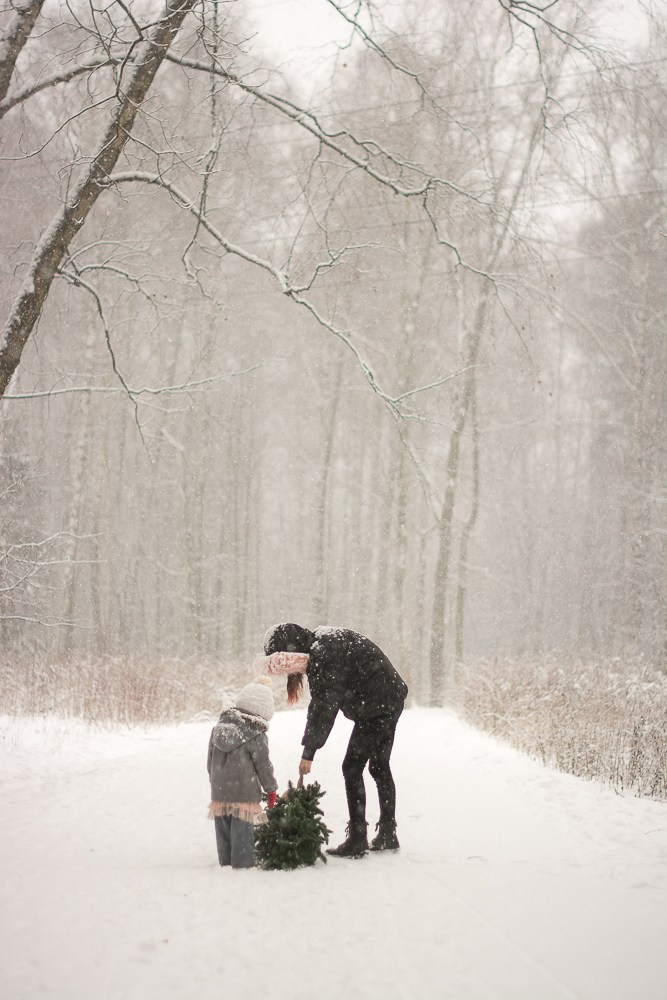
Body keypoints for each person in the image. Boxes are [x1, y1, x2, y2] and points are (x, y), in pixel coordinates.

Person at [258, 623, 408, 859]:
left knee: (352, 767)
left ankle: (358, 839)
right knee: (379, 766)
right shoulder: (322, 643)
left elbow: (323, 707)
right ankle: (388, 833)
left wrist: (309, 752)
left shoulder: (324, 654)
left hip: (377, 705)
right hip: (388, 697)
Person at [207, 676, 278, 869]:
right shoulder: (256, 735)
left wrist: (216, 782)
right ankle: (242, 865)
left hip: (220, 791)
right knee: (242, 830)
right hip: (244, 792)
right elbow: (264, 766)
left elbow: (209, 763)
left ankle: (225, 861)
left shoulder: (217, 730)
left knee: (222, 829)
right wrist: (271, 788)